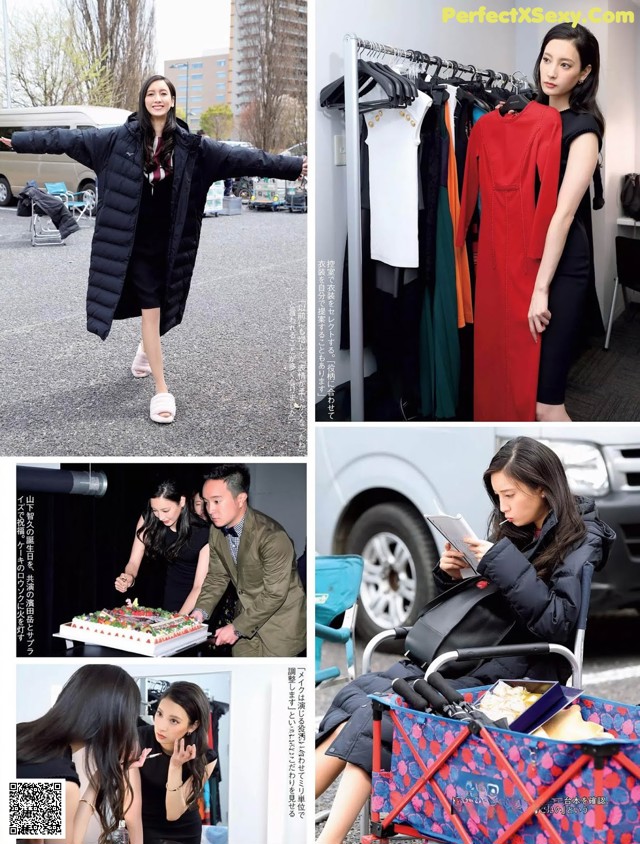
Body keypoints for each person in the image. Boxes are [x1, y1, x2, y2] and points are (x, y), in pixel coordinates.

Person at [314, 437, 615, 844]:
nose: (502, 506)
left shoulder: (582, 539)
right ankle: (283, 819)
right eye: (496, 496)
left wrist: (500, 561)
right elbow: (491, 602)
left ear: (542, 486)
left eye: (509, 494)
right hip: (475, 657)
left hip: (523, 673)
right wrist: (452, 574)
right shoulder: (520, 526)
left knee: (379, 714)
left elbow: (557, 623)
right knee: (358, 695)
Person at [1, 74, 307, 424]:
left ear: (173, 100)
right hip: (133, 245)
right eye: (151, 93)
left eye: (164, 93)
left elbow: (244, 159)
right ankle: (162, 389)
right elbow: (66, 138)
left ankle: (144, 353)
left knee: (161, 308)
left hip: (171, 245)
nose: (158, 98)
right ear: (143, 100)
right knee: (151, 308)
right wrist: (20, 141)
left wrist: (294, 165)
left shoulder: (194, 148)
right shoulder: (116, 140)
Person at [529, 23, 604, 422]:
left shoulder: (584, 130)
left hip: (562, 267)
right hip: (527, 257)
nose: (551, 72)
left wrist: (541, 289)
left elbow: (562, 215)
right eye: (546, 59)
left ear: (585, 73)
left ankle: (568, 484)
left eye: (565, 64)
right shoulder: (528, 114)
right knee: (523, 385)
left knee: (547, 401)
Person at [17, 664, 148, 844]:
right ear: (114, 722)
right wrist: (93, 789)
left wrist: (97, 780)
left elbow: (33, 840)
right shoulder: (60, 779)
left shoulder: (23, 739)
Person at [191, 464, 306, 657]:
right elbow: (217, 577)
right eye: (206, 502)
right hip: (245, 623)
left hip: (280, 628)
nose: (210, 510)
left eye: (217, 501)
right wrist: (200, 612)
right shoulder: (216, 531)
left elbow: (274, 594)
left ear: (241, 499)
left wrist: (236, 628)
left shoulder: (272, 537)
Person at [137, 681, 217, 844]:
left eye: (173, 721)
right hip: (143, 828)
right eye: (159, 714)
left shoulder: (205, 757)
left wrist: (175, 766)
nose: (161, 726)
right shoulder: (137, 739)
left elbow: (173, 813)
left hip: (185, 832)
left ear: (193, 726)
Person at [115, 478, 209, 615]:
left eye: (165, 510)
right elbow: (133, 562)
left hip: (197, 602)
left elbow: (199, 586)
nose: (160, 516)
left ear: (182, 501)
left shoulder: (203, 533)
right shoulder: (149, 518)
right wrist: (129, 577)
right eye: (155, 510)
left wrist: (179, 618)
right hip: (172, 593)